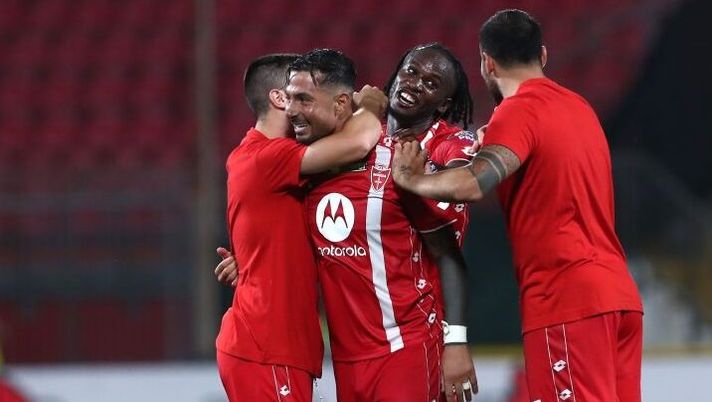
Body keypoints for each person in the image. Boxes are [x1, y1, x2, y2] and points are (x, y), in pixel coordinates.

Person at [392, 9, 643, 402]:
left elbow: (473, 183)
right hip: (620, 298)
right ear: (542, 56)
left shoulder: (518, 110)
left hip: (567, 299)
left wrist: (411, 179)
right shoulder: (579, 107)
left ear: (486, 63)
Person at [216, 45, 480, 402]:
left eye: (431, 82)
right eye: (410, 71)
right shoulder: (322, 163)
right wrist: (250, 256)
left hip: (406, 344)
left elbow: (449, 244)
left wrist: (456, 340)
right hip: (346, 358)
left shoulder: (421, 157)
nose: (415, 83)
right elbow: (281, 220)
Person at [216, 52, 388, 402]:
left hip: (270, 345)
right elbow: (357, 141)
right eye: (296, 95)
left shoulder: (267, 160)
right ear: (279, 99)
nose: (302, 105)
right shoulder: (268, 158)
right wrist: (368, 108)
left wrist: (249, 261)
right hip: (268, 344)